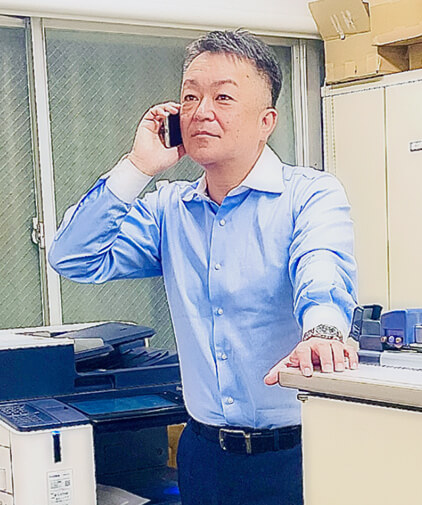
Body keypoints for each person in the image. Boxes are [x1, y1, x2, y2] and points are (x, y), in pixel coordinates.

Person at [49, 29, 358, 505]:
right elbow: (73, 257)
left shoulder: (309, 195)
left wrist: (322, 331)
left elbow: (322, 269)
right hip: (203, 455)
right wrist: (138, 166)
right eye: (190, 97)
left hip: (297, 455)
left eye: (223, 97)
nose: (201, 111)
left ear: (266, 121)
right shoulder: (168, 210)